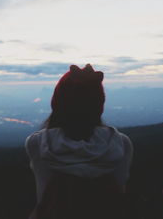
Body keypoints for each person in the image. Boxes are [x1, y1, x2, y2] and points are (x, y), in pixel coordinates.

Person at [25, 64, 133, 219]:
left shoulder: (39, 144)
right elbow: (121, 190)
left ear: (58, 104)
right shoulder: (121, 144)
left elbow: (41, 196)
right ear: (98, 105)